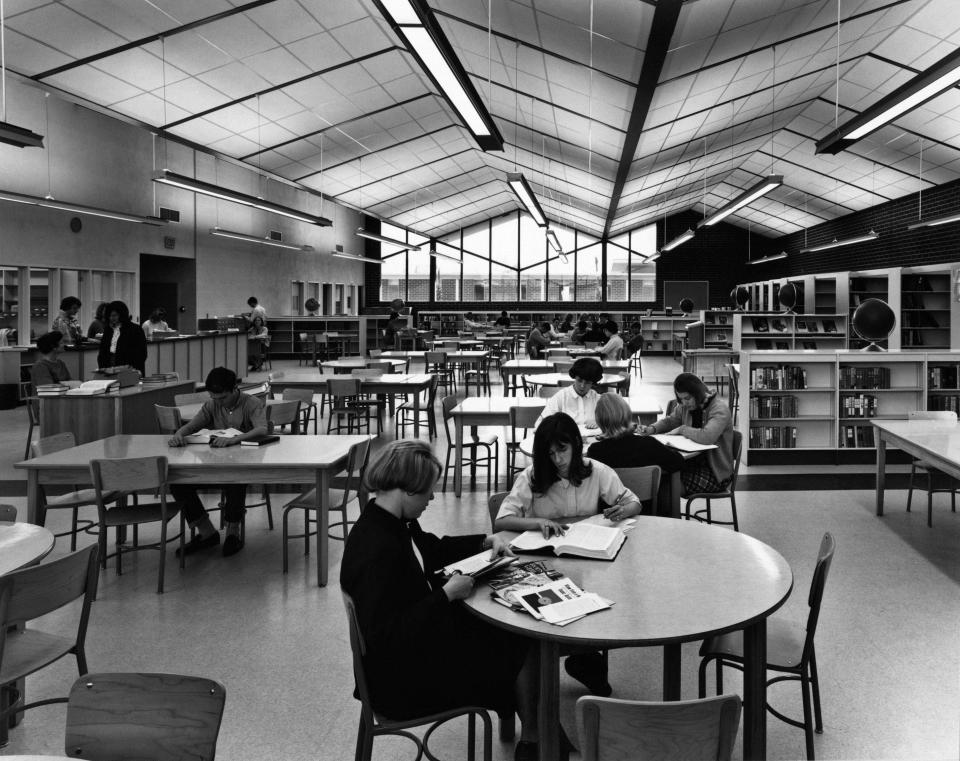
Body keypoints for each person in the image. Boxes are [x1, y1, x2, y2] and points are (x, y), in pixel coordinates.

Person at [340, 440, 540, 760]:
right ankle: (535, 736)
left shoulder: (388, 520)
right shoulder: (376, 550)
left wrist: (484, 542)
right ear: (406, 490)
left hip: (413, 652)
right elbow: (385, 637)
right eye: (427, 492)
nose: (432, 498)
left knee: (509, 632)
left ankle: (535, 726)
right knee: (520, 641)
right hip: (400, 682)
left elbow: (431, 549)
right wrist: (446, 595)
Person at [494, 413, 641, 698]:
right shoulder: (533, 476)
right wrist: (537, 522)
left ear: (576, 444)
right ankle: (569, 659)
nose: (557, 460)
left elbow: (632, 501)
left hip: (587, 560)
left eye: (562, 450)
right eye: (549, 453)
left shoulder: (596, 470)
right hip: (544, 563)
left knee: (603, 598)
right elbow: (503, 520)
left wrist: (623, 510)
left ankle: (585, 657)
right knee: (547, 610)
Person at [167, 367, 268, 557]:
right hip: (216, 464)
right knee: (178, 483)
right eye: (214, 398)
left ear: (234, 389)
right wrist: (179, 434)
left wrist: (234, 439)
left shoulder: (252, 403)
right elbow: (193, 425)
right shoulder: (212, 404)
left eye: (222, 398)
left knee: (235, 481)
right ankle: (206, 532)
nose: (218, 402)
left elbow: (262, 429)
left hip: (244, 465)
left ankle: (232, 533)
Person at [587, 394, 683, 515]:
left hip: (609, 516)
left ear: (599, 420)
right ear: (627, 415)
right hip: (649, 513)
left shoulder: (595, 451)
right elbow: (678, 462)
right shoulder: (649, 444)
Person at [640, 373, 734, 496]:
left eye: (687, 398)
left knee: (667, 489)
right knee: (655, 480)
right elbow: (670, 421)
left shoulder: (719, 409)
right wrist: (652, 429)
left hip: (716, 472)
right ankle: (665, 513)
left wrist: (683, 429)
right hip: (690, 462)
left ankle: (668, 514)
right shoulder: (685, 406)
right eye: (681, 399)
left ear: (698, 393)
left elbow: (707, 437)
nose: (684, 403)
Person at [536, 357, 603, 428]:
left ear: (593, 383)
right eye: (579, 380)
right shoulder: (561, 397)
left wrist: (599, 423)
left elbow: (611, 423)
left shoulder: (598, 399)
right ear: (574, 377)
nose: (582, 386)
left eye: (587, 382)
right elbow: (541, 423)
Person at [97, 300, 148, 374]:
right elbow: (102, 352)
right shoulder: (108, 330)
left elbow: (141, 353)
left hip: (129, 368)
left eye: (115, 315)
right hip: (109, 368)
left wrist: (132, 368)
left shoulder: (135, 329)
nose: (112, 318)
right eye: (110, 316)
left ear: (121, 315)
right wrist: (102, 368)